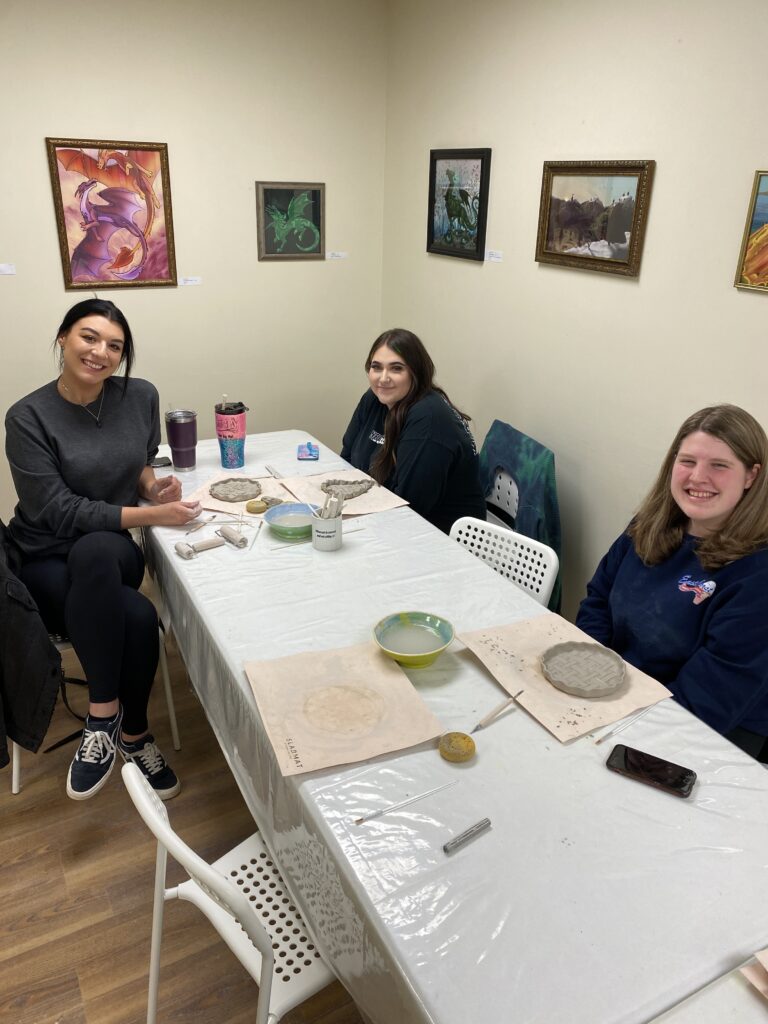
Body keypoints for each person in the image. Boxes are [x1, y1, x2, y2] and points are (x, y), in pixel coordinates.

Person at [5, 299, 202, 801]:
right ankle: (132, 733)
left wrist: (152, 487)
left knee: (95, 552)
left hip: (110, 551)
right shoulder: (27, 417)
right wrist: (155, 515)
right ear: (63, 338)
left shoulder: (140, 395)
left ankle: (101, 717)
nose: (100, 352)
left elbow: (140, 460)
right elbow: (58, 511)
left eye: (114, 345)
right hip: (44, 555)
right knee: (137, 615)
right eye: (89, 337)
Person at [576, 404, 768, 760]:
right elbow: (598, 600)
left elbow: (709, 699)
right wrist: (591, 672)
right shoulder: (648, 525)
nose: (698, 477)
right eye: (688, 461)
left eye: (719, 465)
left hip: (705, 729)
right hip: (619, 695)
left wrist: (612, 717)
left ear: (751, 476)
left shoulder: (757, 574)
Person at [340, 328, 486, 533]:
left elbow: (411, 508)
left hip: (439, 536)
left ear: (416, 372)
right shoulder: (375, 398)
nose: (383, 378)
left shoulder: (429, 419)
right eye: (376, 367)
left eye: (396, 368)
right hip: (385, 518)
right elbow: (346, 460)